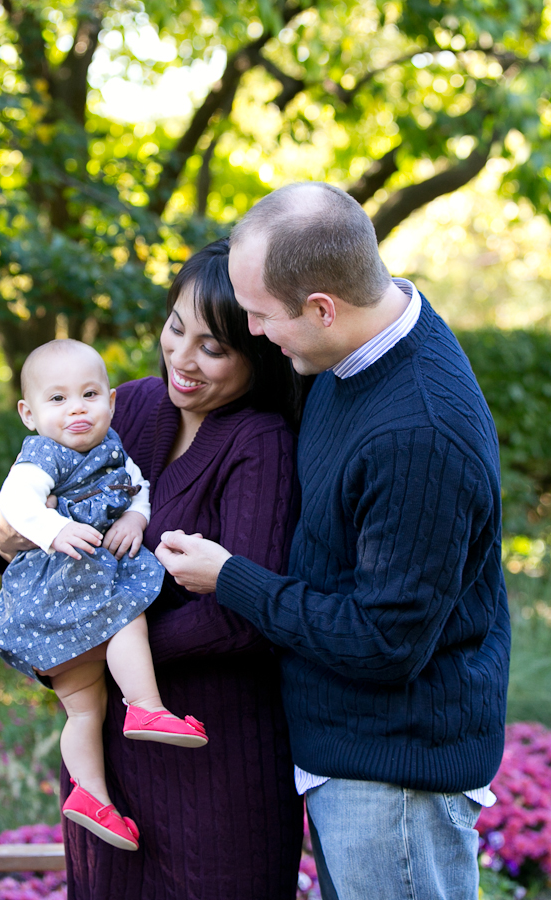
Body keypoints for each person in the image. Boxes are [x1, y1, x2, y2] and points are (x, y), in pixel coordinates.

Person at [155, 183, 512, 900]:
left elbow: (384, 642)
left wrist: (231, 578)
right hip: (351, 759)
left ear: (322, 308)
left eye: (259, 315)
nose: (254, 333)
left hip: (394, 777)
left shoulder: (419, 434)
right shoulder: (351, 354)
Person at [0, 239, 304, 900]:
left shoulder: (260, 444)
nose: (181, 359)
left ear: (260, 352)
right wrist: (7, 540)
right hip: (111, 768)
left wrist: (96, 647)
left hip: (213, 770)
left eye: (213, 348)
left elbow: (243, 618)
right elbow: (46, 525)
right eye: (175, 328)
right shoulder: (124, 407)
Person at [0, 339, 208, 852]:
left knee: (84, 708)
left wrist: (135, 517)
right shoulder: (42, 455)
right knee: (127, 608)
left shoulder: (111, 447)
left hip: (74, 591)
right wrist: (52, 530)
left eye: (89, 395)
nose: (77, 409)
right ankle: (146, 705)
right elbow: (14, 503)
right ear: (28, 413)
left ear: (110, 401)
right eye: (58, 399)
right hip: (56, 584)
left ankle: (92, 797)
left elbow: (138, 488)